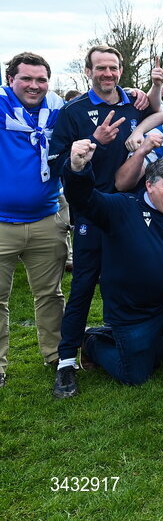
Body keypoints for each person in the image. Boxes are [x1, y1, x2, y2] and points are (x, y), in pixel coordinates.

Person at [63, 146, 163, 387]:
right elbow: (84, 199)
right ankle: (92, 342)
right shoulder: (121, 208)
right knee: (135, 376)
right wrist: (78, 169)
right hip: (133, 311)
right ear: (149, 185)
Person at [49, 45, 158, 398]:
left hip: (130, 209)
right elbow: (57, 164)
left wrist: (151, 96)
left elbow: (161, 113)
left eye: (113, 68)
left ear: (121, 71)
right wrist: (92, 144)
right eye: (100, 68)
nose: (107, 74)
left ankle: (118, 340)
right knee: (83, 285)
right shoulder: (73, 110)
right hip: (92, 211)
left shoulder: (134, 104)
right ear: (88, 71)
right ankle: (66, 362)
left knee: (128, 281)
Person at [0, 52, 70, 388]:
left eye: (41, 79)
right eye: (26, 78)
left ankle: (57, 357)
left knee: (50, 295)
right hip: (1, 223)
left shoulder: (57, 108)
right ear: (10, 78)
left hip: (46, 218)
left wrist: (143, 93)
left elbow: (95, 106)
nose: (34, 85)